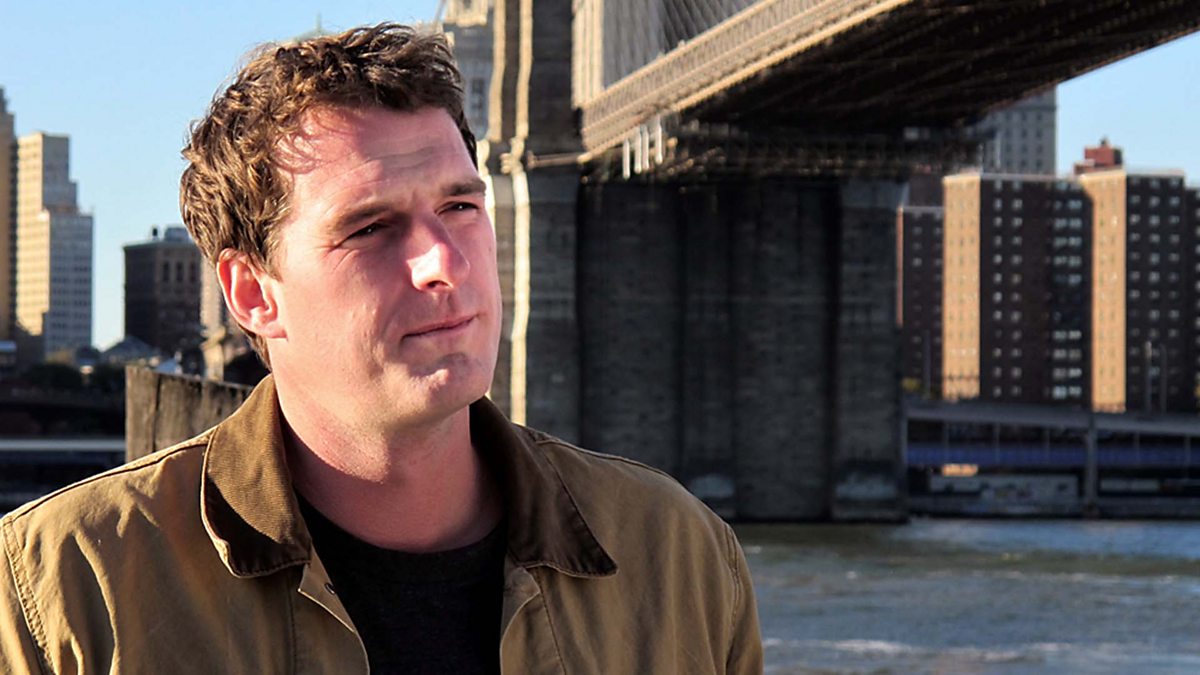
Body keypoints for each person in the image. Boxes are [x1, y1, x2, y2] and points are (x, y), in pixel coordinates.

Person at [0, 23, 762, 674]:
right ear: (254, 293)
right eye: (370, 227)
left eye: (460, 206)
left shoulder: (679, 556)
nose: (444, 261)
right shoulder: (64, 589)